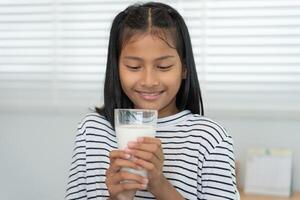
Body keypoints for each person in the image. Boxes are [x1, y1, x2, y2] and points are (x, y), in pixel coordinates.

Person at [66, 2, 239, 200]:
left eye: (164, 66)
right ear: (117, 67)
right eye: (133, 66)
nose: (149, 82)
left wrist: (159, 184)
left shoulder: (210, 139)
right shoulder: (92, 132)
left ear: (184, 68)